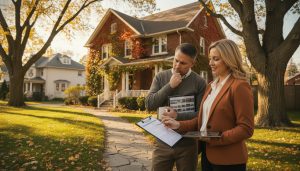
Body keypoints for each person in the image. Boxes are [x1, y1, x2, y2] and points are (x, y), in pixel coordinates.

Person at [162, 39, 254, 171]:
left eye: (215, 59)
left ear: (229, 59)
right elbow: (202, 120)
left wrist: (215, 138)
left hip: (229, 161)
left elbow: (246, 128)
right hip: (208, 155)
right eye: (210, 58)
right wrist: (178, 125)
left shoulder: (239, 86)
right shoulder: (211, 86)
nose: (210, 63)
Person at [145, 43, 207, 171]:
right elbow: (149, 104)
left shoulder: (199, 82)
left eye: (183, 63)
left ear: (192, 64)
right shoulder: (161, 77)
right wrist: (170, 86)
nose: (177, 65)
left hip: (188, 143)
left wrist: (177, 116)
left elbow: (201, 114)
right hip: (163, 141)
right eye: (176, 60)